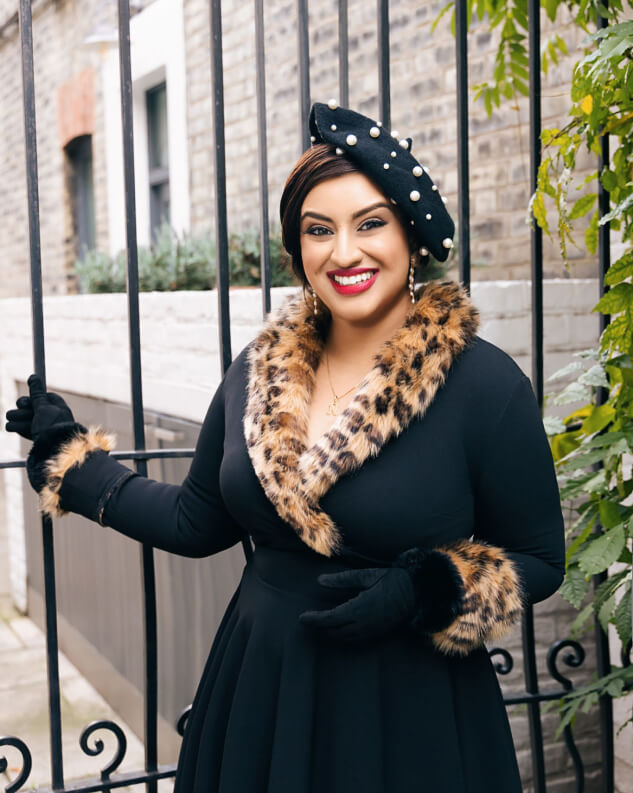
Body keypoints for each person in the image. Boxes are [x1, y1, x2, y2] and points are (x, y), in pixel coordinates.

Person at [5, 102, 565, 793]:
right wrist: (74, 462)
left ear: (411, 236)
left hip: (408, 710)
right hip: (263, 694)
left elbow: (539, 559)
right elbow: (196, 519)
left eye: (370, 223)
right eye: (317, 229)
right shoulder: (257, 371)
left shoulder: (483, 384)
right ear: (297, 249)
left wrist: (429, 586)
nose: (344, 251)